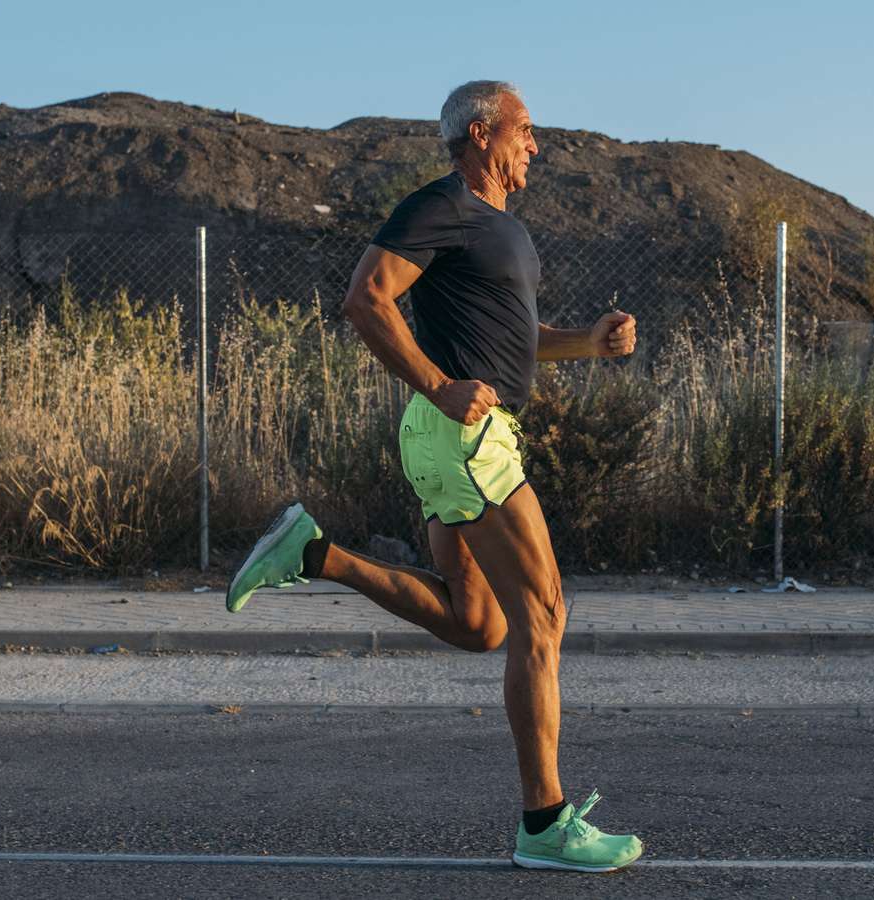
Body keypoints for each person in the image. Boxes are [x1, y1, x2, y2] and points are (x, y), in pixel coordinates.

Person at [225, 80, 643, 873]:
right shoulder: (439, 206)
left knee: (479, 624)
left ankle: (314, 554)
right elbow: (366, 300)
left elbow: (518, 343)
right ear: (482, 133)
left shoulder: (498, 228)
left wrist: (587, 342)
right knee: (544, 615)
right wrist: (438, 386)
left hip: (460, 432)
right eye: (526, 131)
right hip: (463, 433)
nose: (536, 146)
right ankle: (546, 826)